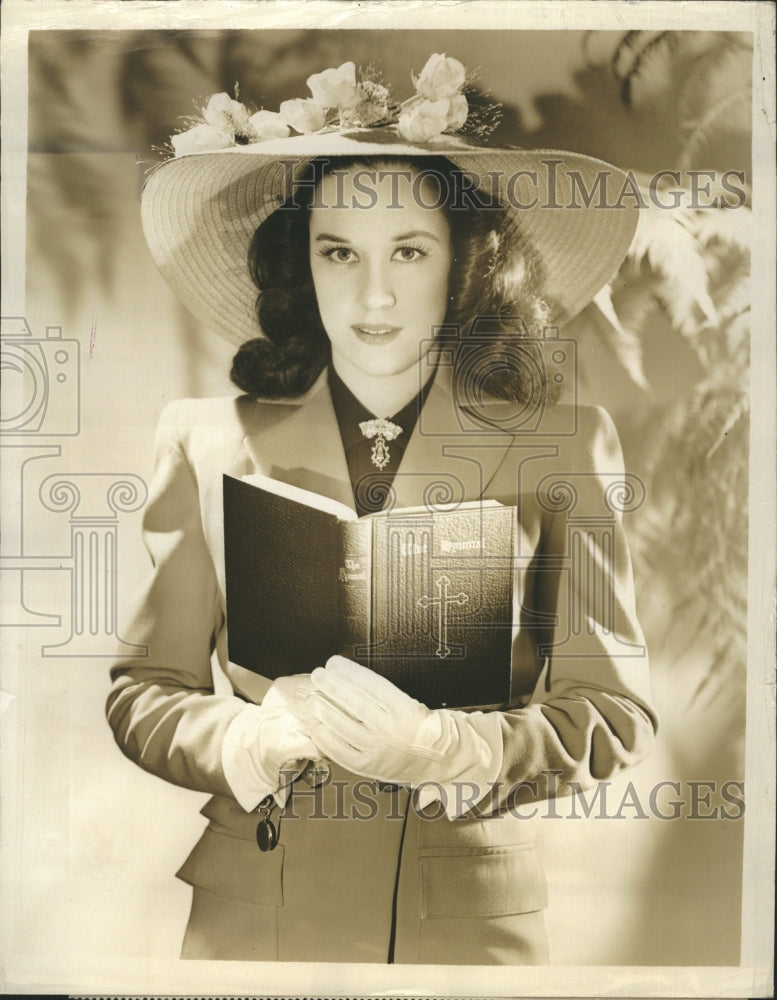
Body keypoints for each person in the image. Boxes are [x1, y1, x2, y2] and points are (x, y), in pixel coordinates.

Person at [107, 57, 657, 964]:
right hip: (259, 916)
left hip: (464, 926)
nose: (371, 295)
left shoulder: (564, 447)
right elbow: (144, 694)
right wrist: (246, 737)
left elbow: (610, 714)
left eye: (408, 249)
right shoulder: (203, 441)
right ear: (300, 263)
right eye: (338, 252)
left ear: (464, 262)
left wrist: (445, 747)